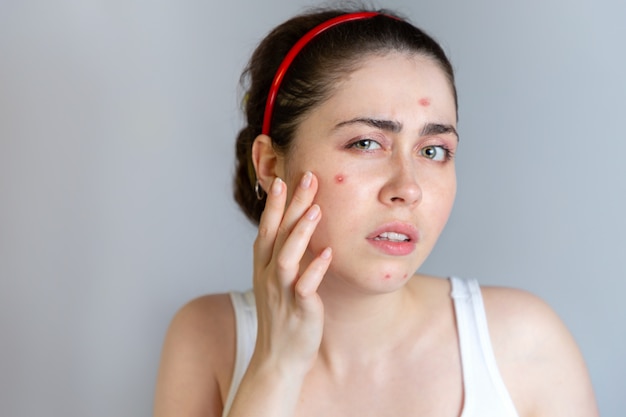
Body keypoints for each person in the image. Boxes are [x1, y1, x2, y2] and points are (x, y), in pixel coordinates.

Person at [153, 7, 599, 417]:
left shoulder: (524, 344)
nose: (407, 188)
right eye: (366, 143)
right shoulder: (207, 339)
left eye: (434, 150)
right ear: (270, 166)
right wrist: (276, 367)